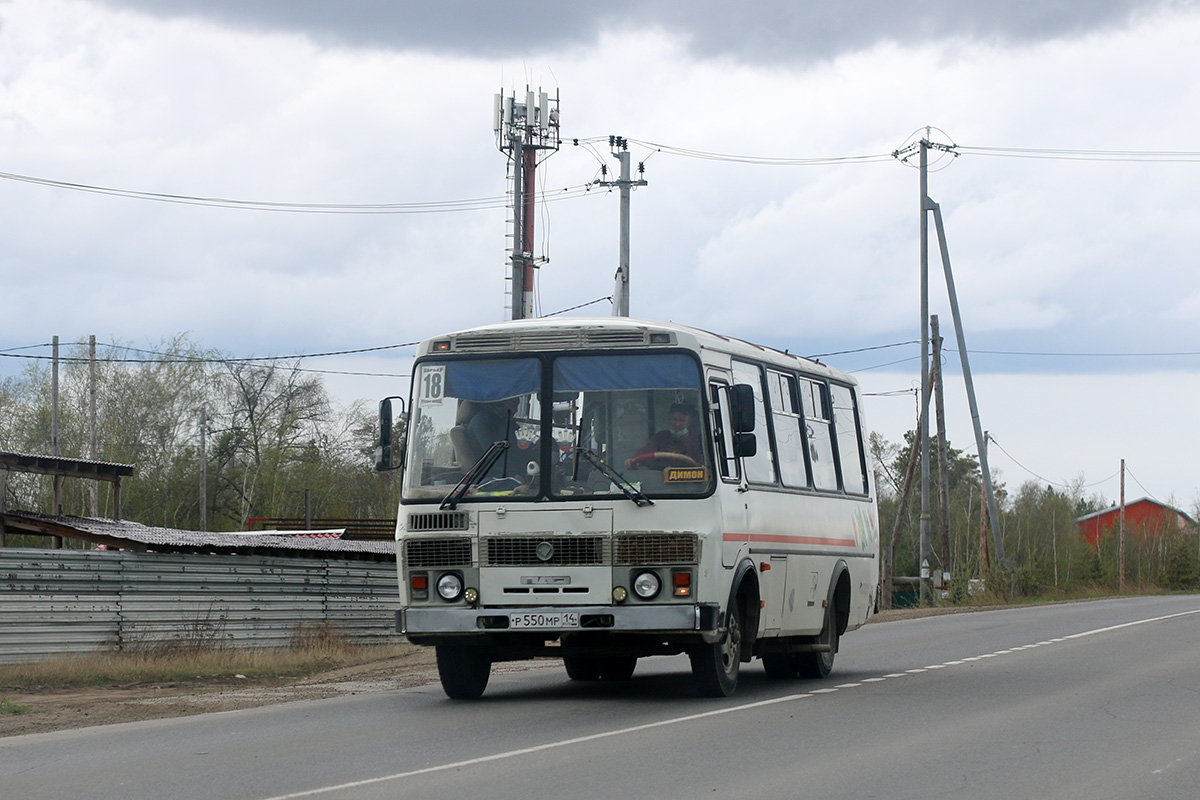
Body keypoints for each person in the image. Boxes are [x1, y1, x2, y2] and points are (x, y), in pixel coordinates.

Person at [625, 402, 704, 469]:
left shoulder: (698, 439)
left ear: (689, 422)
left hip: (692, 484)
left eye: (682, 420)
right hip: (661, 483)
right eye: (674, 419)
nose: (677, 424)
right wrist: (632, 460)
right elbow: (643, 453)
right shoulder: (660, 437)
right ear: (669, 420)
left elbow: (705, 465)